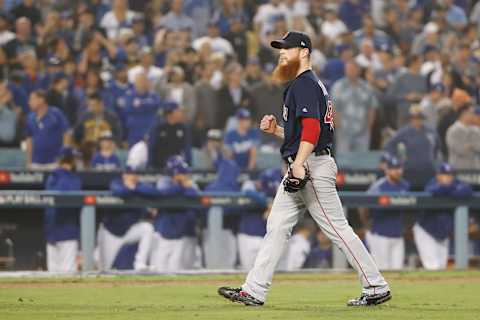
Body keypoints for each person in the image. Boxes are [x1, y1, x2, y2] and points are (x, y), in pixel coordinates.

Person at [218, 31, 390, 307]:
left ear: (305, 52)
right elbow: (305, 132)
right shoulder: (307, 84)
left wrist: (298, 163)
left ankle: (375, 285)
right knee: (276, 226)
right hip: (305, 162)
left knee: (337, 228)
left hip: (311, 165)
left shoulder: (305, 84)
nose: (282, 53)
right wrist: (278, 132)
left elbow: (312, 128)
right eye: (280, 49)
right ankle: (254, 289)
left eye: (287, 48)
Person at [414, 163, 472, 270]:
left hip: (443, 235)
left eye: (450, 175)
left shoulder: (456, 183)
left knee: (442, 268)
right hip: (426, 232)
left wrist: (448, 189)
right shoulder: (432, 183)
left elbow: (467, 190)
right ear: (438, 175)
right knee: (432, 267)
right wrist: (452, 190)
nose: (448, 177)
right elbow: (436, 191)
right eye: (445, 175)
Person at [98, 166, 157, 271]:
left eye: (135, 174)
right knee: (105, 269)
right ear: (124, 175)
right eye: (130, 174)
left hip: (129, 231)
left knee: (147, 228)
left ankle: (140, 264)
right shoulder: (116, 183)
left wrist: (134, 188)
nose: (133, 177)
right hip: (111, 234)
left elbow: (154, 192)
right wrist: (132, 189)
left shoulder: (139, 186)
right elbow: (119, 192)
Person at [150, 156, 199, 272]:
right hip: (162, 233)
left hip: (180, 234)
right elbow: (163, 193)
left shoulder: (189, 184)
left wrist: (181, 186)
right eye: (182, 173)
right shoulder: (164, 182)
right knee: (159, 269)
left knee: (176, 271)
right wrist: (181, 186)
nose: (185, 176)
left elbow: (193, 194)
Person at [360, 156, 410, 270]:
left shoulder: (405, 185)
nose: (397, 171)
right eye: (393, 168)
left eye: (399, 168)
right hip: (380, 235)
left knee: (397, 270)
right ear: (386, 170)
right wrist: (366, 224)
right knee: (382, 270)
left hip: (397, 235)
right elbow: (363, 205)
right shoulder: (378, 187)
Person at [44, 147, 82, 272]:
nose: (77, 161)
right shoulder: (72, 179)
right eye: (75, 158)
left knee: (52, 276)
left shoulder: (51, 177)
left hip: (51, 232)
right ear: (70, 160)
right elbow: (77, 205)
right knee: (67, 276)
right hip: (68, 231)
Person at [384, 105, 440, 187]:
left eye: (419, 118)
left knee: (429, 194)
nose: (416, 120)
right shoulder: (404, 132)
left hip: (427, 169)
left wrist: (432, 159)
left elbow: (437, 146)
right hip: (410, 169)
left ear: (422, 119)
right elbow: (390, 144)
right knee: (409, 194)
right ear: (411, 119)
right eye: (414, 118)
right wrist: (396, 158)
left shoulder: (430, 132)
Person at [238, 168, 282, 270]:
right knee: (247, 271)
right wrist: (268, 204)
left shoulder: (274, 193)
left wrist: (271, 206)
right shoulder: (250, 188)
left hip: (267, 238)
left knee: (268, 272)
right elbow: (247, 191)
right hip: (247, 236)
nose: (260, 184)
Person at [331, 60, 378, 153]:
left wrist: (369, 126)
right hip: (343, 131)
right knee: (343, 162)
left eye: (353, 69)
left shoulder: (367, 87)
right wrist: (338, 125)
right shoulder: (338, 86)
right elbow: (332, 107)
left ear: (358, 71)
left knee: (361, 161)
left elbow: (372, 107)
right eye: (348, 69)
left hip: (363, 131)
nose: (350, 71)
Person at [25, 90, 70, 170]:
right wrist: (29, 162)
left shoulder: (56, 113)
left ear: (41, 100)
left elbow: (66, 133)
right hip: (36, 163)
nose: (29, 102)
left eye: (32, 99)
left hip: (55, 162)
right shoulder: (30, 117)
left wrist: (64, 156)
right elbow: (29, 139)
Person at [73, 92, 123, 164]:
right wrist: (79, 145)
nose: (91, 108)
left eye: (94, 105)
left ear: (101, 104)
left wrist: (115, 145)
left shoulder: (111, 117)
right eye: (89, 105)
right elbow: (77, 133)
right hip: (88, 150)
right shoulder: (85, 117)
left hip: (107, 149)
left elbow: (118, 134)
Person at [124, 72, 162, 147]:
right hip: (134, 131)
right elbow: (128, 109)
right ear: (135, 83)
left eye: (144, 80)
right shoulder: (129, 95)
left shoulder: (154, 95)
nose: (142, 83)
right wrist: (147, 105)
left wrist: (140, 105)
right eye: (140, 81)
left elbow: (156, 105)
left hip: (150, 129)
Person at [148, 101, 190, 169]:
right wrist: (150, 166)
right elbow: (152, 148)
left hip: (178, 168)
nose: (181, 113)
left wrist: (188, 165)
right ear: (170, 113)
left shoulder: (183, 128)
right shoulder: (158, 128)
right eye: (178, 111)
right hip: (159, 168)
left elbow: (187, 149)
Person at [446, 106, 480, 170]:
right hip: (458, 168)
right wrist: (473, 145)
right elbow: (460, 150)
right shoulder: (453, 130)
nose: (474, 115)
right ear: (464, 114)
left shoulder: (476, 129)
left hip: (475, 168)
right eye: (471, 113)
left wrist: (470, 146)